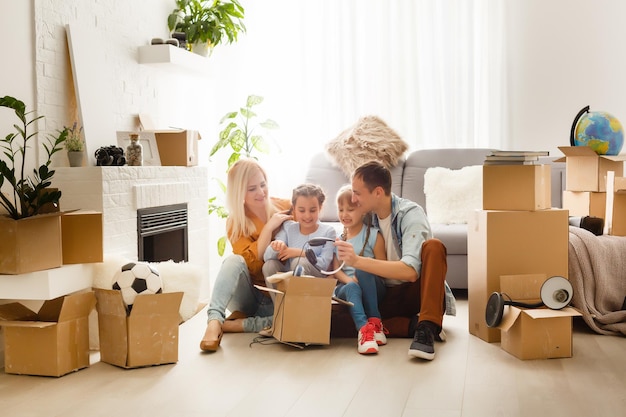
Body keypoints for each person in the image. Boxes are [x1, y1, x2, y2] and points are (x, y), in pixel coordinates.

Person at [335, 161, 451, 361]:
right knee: (334, 324)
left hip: (412, 291)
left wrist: (357, 261)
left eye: (357, 193)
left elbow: (410, 271)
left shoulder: (410, 214)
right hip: (382, 296)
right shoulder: (366, 217)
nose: (353, 199)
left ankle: (426, 327)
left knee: (434, 246)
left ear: (378, 192)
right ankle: (411, 326)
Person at [200, 158, 292, 352]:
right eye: (252, 189)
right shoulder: (236, 222)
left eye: (262, 184)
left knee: (291, 317)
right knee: (233, 260)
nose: (261, 192)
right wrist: (268, 229)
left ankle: (237, 324)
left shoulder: (286, 207)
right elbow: (251, 265)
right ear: (239, 193)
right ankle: (215, 321)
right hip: (249, 296)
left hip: (277, 295)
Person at [331, 185, 388, 355]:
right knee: (351, 287)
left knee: (364, 266)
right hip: (347, 289)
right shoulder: (339, 239)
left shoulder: (373, 235)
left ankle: (376, 322)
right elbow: (336, 270)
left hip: (373, 287)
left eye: (350, 209)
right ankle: (365, 331)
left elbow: (383, 266)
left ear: (362, 210)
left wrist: (361, 275)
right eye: (341, 210)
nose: (344, 214)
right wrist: (351, 281)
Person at [262, 183, 336, 279]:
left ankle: (297, 294)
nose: (307, 216)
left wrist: (300, 253)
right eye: (301, 210)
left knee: (300, 262)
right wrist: (276, 246)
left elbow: (324, 265)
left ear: (320, 208)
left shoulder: (328, 232)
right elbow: (267, 257)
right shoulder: (288, 227)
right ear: (294, 209)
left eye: (312, 210)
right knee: (269, 265)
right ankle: (282, 295)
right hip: (290, 278)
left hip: (315, 280)